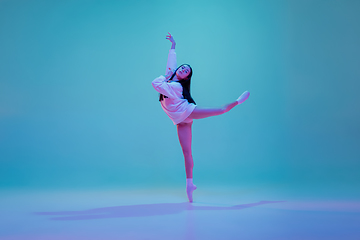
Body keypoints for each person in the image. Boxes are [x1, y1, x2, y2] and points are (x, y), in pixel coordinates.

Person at [151, 32, 250, 202]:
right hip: (179, 119)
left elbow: (155, 83)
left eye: (186, 71)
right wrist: (173, 47)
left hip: (187, 111)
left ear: (186, 78)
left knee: (220, 110)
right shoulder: (171, 78)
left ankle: (238, 101)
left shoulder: (174, 86)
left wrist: (167, 76)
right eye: (182, 67)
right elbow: (171, 65)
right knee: (187, 152)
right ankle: (190, 184)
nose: (182, 69)